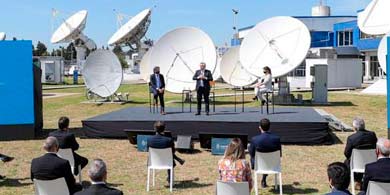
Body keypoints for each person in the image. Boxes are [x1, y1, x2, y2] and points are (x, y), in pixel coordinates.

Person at [344, 117, 377, 190]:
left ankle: (354, 182)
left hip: (357, 164)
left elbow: (347, 154)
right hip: (372, 161)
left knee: (347, 162)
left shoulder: (352, 138)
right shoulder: (372, 135)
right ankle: (359, 182)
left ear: (354, 127)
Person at [249, 118, 281, 188]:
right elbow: (280, 154)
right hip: (273, 164)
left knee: (254, 157)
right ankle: (264, 179)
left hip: (259, 164)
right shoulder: (276, 139)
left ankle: (263, 178)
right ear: (270, 127)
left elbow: (251, 154)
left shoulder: (255, 139)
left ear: (260, 127)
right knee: (265, 159)